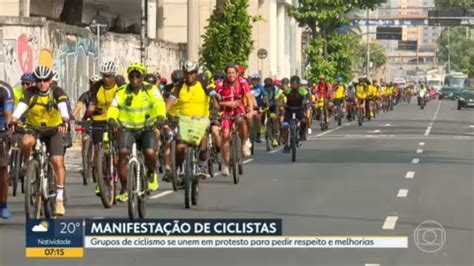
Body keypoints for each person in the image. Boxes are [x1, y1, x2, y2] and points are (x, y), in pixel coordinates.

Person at [10, 65, 70, 216]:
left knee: (57, 161)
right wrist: (14, 119)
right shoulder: (30, 92)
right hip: (34, 128)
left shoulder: (57, 91)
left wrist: (65, 121)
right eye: (39, 80)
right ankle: (27, 163)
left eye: (45, 80)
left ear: (50, 80)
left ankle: (59, 199)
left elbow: (63, 108)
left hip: (54, 129)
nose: (42, 83)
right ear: (35, 81)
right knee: (26, 142)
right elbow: (22, 107)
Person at [107, 63, 166, 202]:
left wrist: (160, 116)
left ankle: (151, 172)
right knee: (122, 154)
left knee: (150, 152)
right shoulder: (122, 91)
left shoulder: (151, 89)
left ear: (142, 77)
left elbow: (159, 104)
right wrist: (111, 118)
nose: (134, 79)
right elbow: (114, 106)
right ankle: (124, 188)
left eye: (137, 76)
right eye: (132, 76)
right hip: (127, 129)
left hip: (147, 128)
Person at [166, 61, 216, 178]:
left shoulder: (204, 84)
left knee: (203, 135)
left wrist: (215, 108)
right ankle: (177, 169)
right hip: (183, 121)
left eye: (192, 73)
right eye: (187, 73)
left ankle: (202, 163)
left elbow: (213, 98)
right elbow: (170, 102)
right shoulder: (178, 86)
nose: (190, 76)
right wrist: (164, 114)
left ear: (196, 73)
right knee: (180, 147)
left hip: (201, 119)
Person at [85, 61, 119, 194]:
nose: (106, 79)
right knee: (99, 149)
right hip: (99, 120)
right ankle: (100, 179)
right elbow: (91, 107)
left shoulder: (120, 86)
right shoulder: (96, 87)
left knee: (120, 147)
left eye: (109, 76)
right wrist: (88, 116)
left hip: (116, 118)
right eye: (104, 76)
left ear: (114, 76)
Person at [216, 64, 253, 176]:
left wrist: (250, 110)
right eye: (228, 73)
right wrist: (227, 103)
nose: (231, 75)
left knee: (242, 121)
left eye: (233, 73)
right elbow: (215, 101)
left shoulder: (243, 82)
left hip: (239, 110)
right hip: (225, 112)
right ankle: (226, 165)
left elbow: (248, 96)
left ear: (237, 74)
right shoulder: (221, 84)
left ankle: (243, 143)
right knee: (226, 135)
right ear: (225, 74)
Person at [281, 75, 308, 153]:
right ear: (290, 84)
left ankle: (301, 134)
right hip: (289, 110)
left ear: (299, 84)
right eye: (293, 83)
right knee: (285, 126)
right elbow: (281, 97)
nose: (295, 85)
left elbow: (308, 96)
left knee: (304, 121)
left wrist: (308, 103)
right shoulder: (287, 90)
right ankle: (286, 145)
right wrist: (281, 103)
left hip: (299, 109)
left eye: (296, 83)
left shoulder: (302, 90)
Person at [0, 80, 13, 219]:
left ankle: (3, 205)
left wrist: (9, 125)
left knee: (2, 168)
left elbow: (8, 112)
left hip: (1, 130)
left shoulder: (5, 89)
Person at [262, 78, 283, 147]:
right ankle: (262, 126)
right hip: (267, 104)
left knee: (274, 119)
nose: (268, 88)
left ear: (272, 85)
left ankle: (274, 138)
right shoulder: (263, 90)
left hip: (275, 105)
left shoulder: (277, 90)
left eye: (270, 86)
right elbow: (264, 99)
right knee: (262, 113)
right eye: (267, 86)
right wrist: (266, 106)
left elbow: (278, 100)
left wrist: (277, 110)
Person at [249, 74, 265, 143]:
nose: (255, 82)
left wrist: (265, 104)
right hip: (249, 106)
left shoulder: (261, 87)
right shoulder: (248, 87)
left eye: (257, 80)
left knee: (258, 119)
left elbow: (264, 96)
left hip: (258, 106)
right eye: (253, 80)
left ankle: (258, 135)